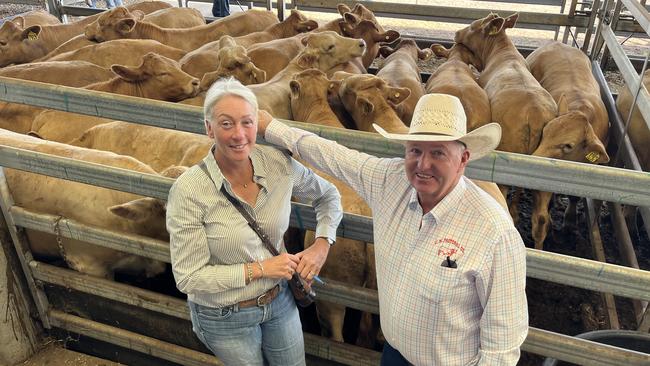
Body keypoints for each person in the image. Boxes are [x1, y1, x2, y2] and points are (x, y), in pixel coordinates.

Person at [257, 93, 529, 365]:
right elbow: (333, 155)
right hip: (394, 354)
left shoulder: (494, 231)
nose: (423, 165)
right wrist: (270, 127)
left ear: (463, 158)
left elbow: (503, 343)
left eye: (438, 153)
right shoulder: (391, 181)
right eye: (415, 150)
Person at [166, 77, 342, 366]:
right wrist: (260, 269)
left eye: (247, 122)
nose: (239, 134)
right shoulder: (189, 190)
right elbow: (189, 277)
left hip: (280, 300)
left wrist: (322, 243)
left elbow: (328, 196)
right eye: (226, 124)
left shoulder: (278, 164)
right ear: (208, 128)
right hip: (225, 314)